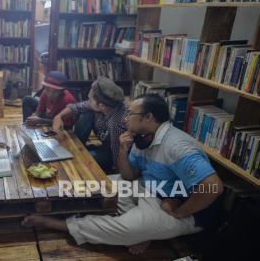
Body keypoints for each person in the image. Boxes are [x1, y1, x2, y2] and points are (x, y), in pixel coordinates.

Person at [22, 94, 223, 255]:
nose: (125, 119)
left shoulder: (177, 145)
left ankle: (60, 225)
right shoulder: (142, 137)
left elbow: (214, 187)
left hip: (178, 207)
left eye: (130, 114)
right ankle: (148, 232)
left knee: (127, 228)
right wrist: (122, 152)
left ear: (148, 117)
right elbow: (129, 176)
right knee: (99, 184)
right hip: (147, 188)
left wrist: (181, 212)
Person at [52, 77, 127, 172]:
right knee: (86, 113)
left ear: (102, 106)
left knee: (84, 160)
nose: (88, 101)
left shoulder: (117, 123)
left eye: (90, 100)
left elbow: (116, 155)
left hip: (113, 154)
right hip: (104, 144)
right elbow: (77, 107)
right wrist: (58, 116)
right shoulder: (104, 105)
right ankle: (77, 147)